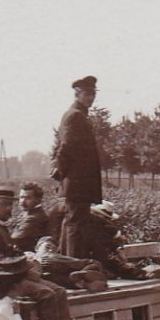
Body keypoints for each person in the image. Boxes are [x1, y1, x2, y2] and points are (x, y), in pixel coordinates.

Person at [52, 75, 104, 259]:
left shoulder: (78, 115)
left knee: (72, 223)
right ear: (77, 93)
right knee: (76, 225)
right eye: (87, 94)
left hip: (77, 182)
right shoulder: (75, 116)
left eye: (93, 94)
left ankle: (65, 262)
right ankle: (73, 265)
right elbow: (65, 148)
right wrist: (63, 174)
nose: (91, 98)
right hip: (77, 182)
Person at [33, 236, 110, 291]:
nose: (50, 250)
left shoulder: (53, 257)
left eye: (54, 249)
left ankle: (85, 275)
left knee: (91, 265)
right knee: (61, 277)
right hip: (59, 279)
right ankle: (85, 282)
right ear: (37, 248)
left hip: (67, 270)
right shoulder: (30, 256)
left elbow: (77, 262)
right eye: (47, 247)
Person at [12, 182, 52, 253]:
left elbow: (15, 238)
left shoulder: (34, 217)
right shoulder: (28, 213)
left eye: (28, 198)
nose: (22, 202)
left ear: (38, 200)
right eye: (21, 197)